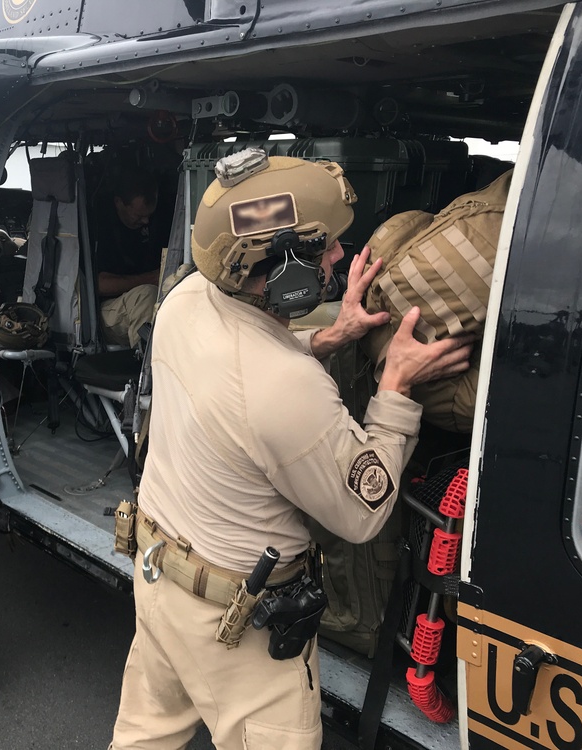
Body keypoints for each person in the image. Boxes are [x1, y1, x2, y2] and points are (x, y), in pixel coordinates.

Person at [109, 151, 473, 749]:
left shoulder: (186, 297)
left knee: (145, 737)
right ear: (279, 268)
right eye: (326, 247)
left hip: (158, 577)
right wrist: (396, 388)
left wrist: (336, 334)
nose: (338, 258)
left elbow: (244, 376)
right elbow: (362, 513)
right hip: (235, 627)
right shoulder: (287, 387)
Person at [92, 168, 171, 349]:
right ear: (119, 203)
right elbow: (100, 285)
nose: (145, 222)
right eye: (139, 215)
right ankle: (148, 371)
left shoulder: (159, 221)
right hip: (107, 310)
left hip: (155, 298)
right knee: (145, 296)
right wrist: (152, 278)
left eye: (149, 215)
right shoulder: (101, 227)